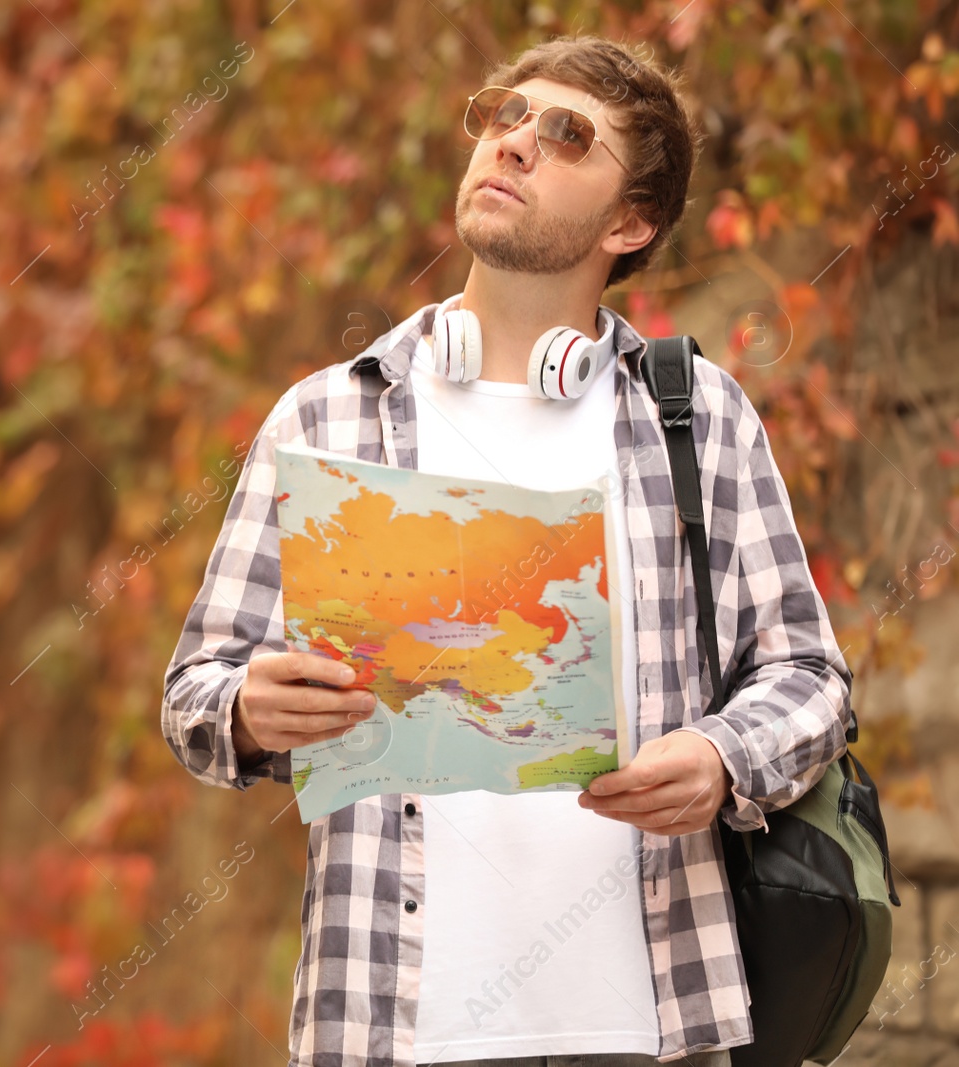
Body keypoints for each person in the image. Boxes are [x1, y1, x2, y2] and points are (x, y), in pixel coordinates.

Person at [159, 34, 854, 1067]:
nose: (515, 143)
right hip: (384, 1022)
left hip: (652, 1025)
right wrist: (250, 711)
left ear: (631, 222)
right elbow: (193, 696)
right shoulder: (325, 417)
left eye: (566, 135)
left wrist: (721, 755)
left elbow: (809, 676)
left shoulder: (694, 415)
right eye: (504, 115)